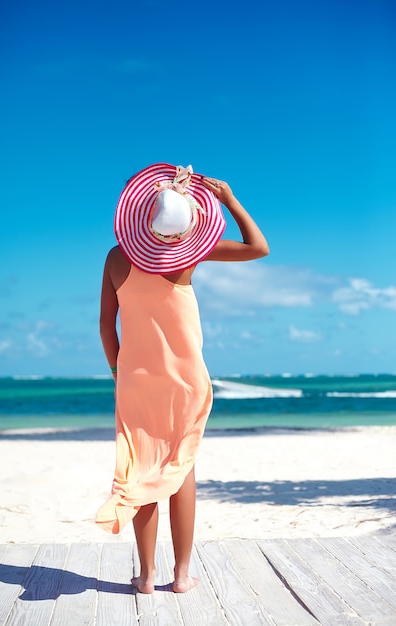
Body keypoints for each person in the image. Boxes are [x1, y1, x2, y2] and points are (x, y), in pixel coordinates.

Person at [96, 163, 269, 594]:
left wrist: (118, 371)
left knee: (141, 468)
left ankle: (147, 576)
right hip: (186, 378)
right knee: (180, 467)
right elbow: (258, 247)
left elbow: (105, 325)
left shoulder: (117, 258)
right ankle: (182, 576)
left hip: (135, 379)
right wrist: (230, 201)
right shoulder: (191, 254)